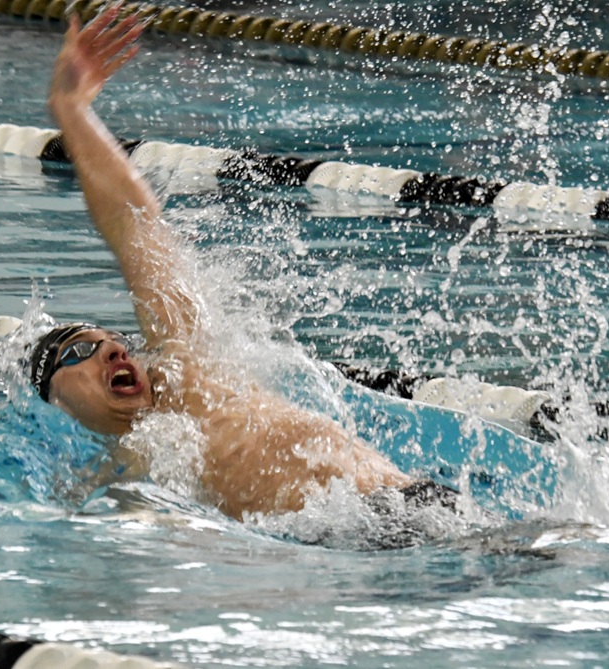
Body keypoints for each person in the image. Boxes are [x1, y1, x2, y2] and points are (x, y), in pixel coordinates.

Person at [34, 5, 457, 532]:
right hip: (347, 549)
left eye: (110, 339)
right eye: (81, 351)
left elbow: (135, 224)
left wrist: (70, 109)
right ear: (57, 403)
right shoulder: (114, 480)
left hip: (414, 505)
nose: (113, 349)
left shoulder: (190, 367)